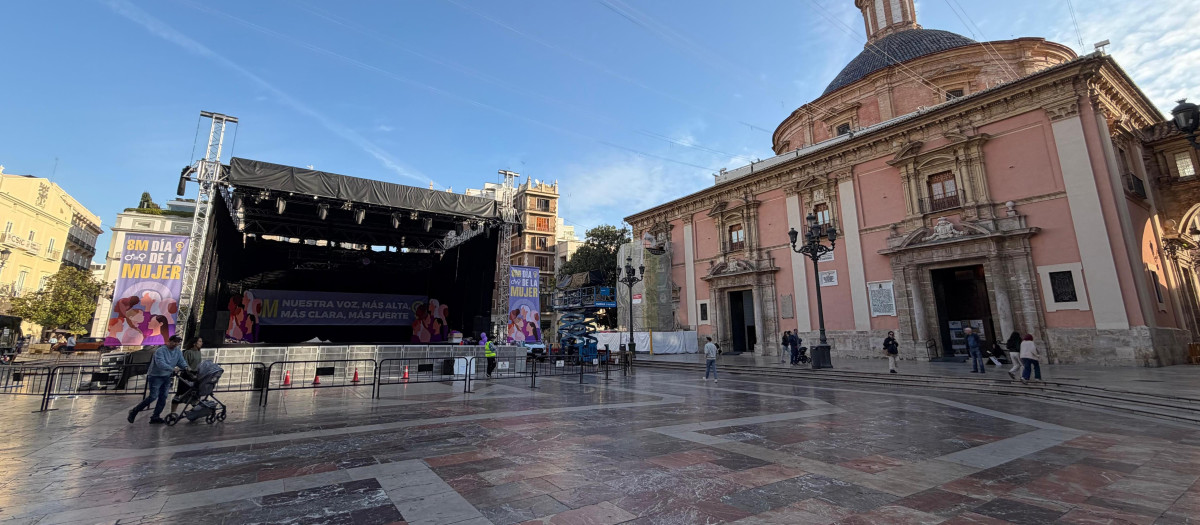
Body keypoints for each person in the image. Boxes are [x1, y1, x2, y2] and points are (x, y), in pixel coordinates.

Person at [128, 335, 189, 424]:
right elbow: (160, 363)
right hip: (155, 376)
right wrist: (172, 369)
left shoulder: (177, 351)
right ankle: (134, 411)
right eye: (174, 342)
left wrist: (186, 367)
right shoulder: (160, 351)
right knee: (153, 396)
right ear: (169, 341)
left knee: (163, 397)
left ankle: (155, 416)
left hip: (167, 376)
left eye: (177, 342)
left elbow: (181, 361)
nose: (176, 344)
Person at [170, 337, 204, 416]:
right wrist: (190, 371)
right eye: (199, 341)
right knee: (180, 393)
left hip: (195, 375)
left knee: (194, 394)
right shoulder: (188, 352)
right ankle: (173, 412)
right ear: (194, 343)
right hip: (187, 375)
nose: (201, 343)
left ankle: (196, 411)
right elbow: (185, 363)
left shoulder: (198, 352)